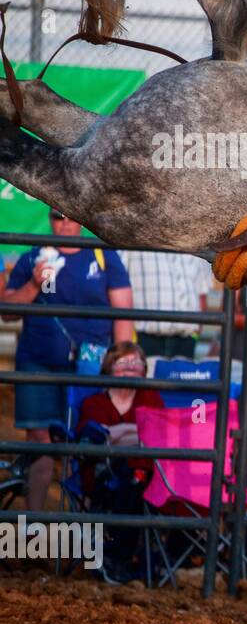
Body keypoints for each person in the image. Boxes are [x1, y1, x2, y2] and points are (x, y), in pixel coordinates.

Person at [0, 208, 133, 513]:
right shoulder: (33, 258)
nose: (66, 222)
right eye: (58, 216)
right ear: (50, 219)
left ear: (83, 220)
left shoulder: (103, 258)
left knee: (84, 441)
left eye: (72, 216)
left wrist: (122, 364)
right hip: (38, 362)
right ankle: (33, 522)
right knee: (39, 439)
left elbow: (124, 310)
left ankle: (79, 522)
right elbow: (7, 311)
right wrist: (34, 285)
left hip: (91, 364)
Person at [77, 342, 165, 583]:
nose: (131, 368)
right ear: (109, 367)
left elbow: (159, 434)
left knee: (135, 472)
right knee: (132, 472)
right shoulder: (94, 403)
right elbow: (89, 439)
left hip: (143, 474)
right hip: (103, 472)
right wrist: (130, 434)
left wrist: (119, 434)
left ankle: (117, 557)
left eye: (136, 362)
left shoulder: (151, 397)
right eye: (123, 362)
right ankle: (120, 557)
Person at [119, 250, 212, 358]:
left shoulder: (196, 241)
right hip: (144, 339)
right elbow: (116, 284)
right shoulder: (135, 236)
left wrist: (194, 336)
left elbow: (202, 294)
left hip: (186, 341)